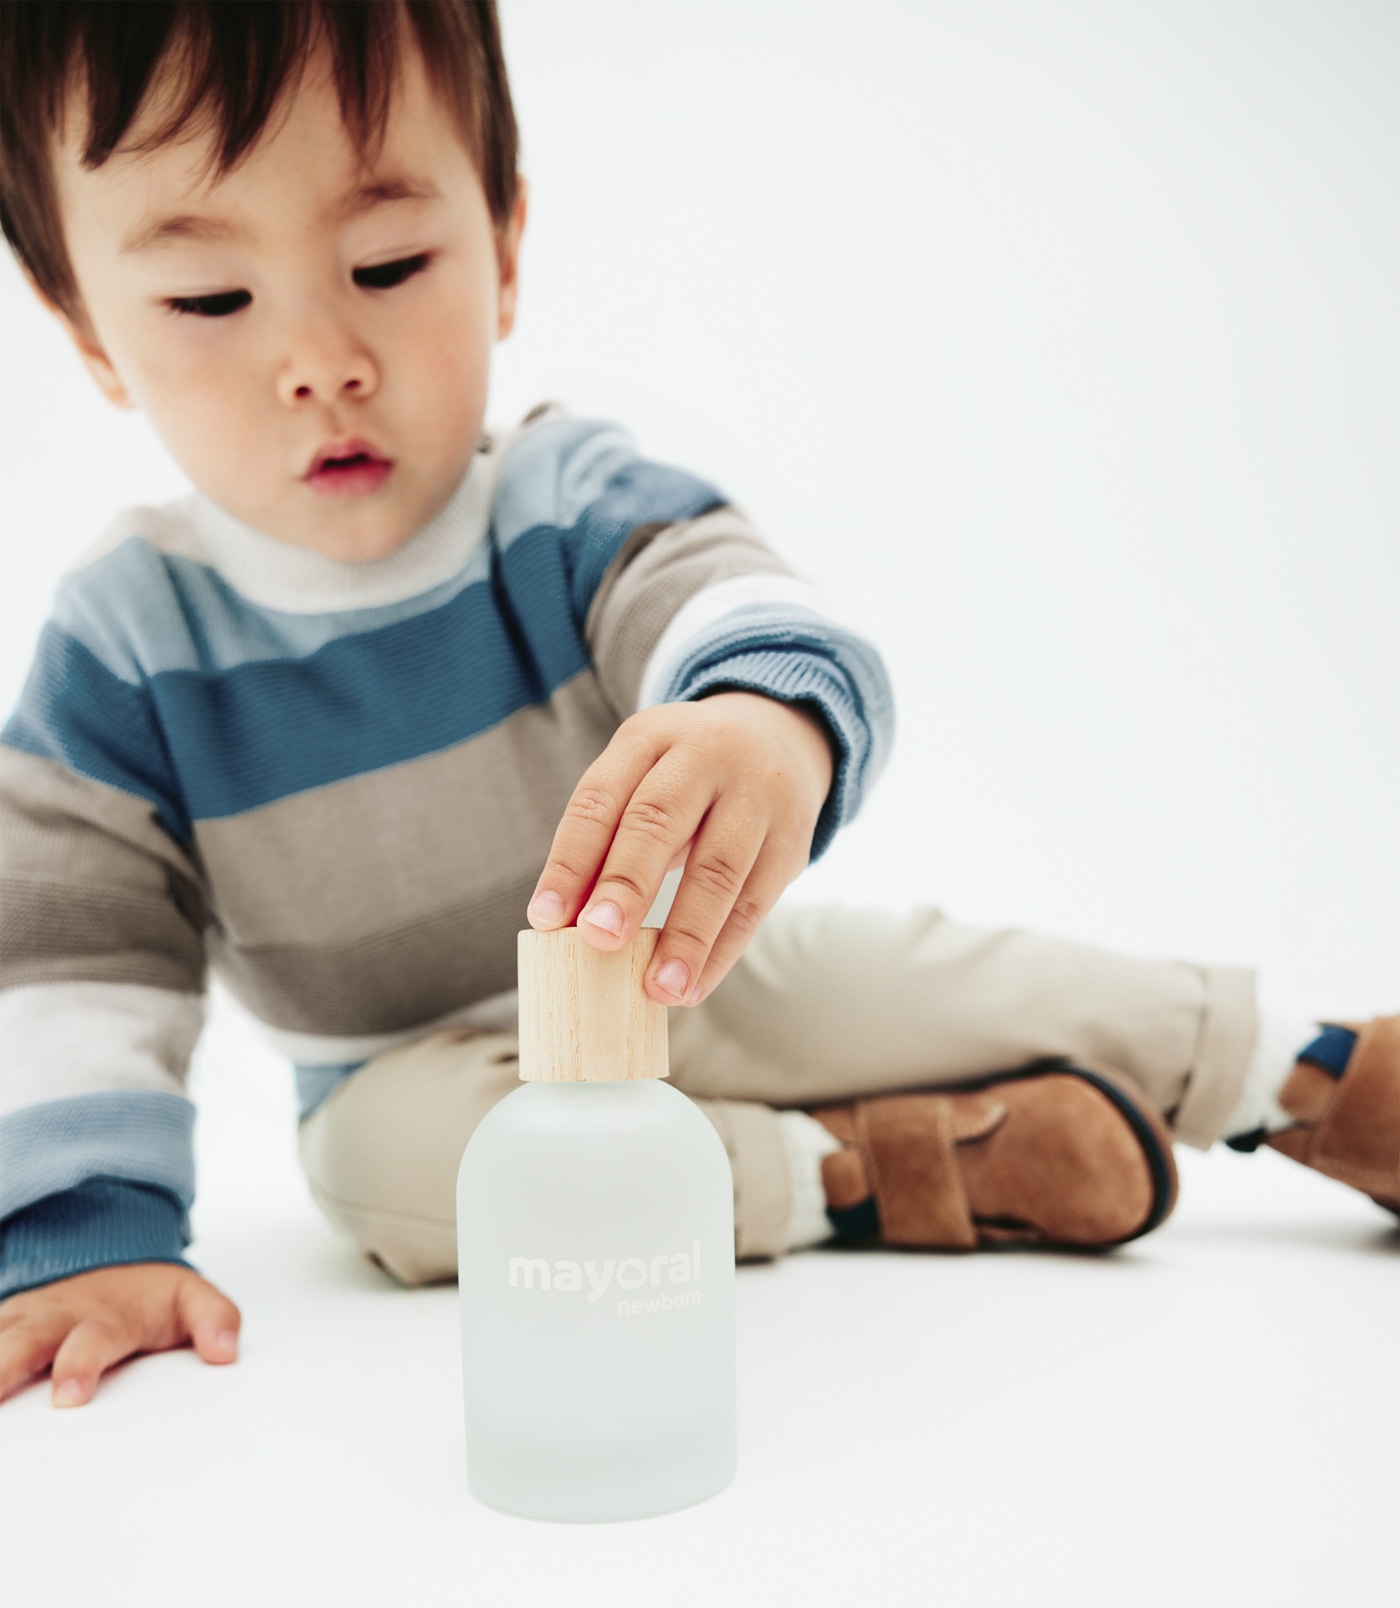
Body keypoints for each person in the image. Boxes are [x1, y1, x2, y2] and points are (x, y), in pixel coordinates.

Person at [0, 0, 1393, 1411]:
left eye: (388, 262)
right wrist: (86, 1235)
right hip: (407, 1078)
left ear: (503, 256)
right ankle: (863, 1174)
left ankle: (1315, 1074)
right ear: (91, 337)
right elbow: (66, 956)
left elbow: (726, 600)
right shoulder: (124, 641)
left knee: (934, 975)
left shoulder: (559, 506)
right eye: (209, 301)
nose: (320, 359)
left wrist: (757, 721)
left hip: (676, 973)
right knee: (410, 1184)